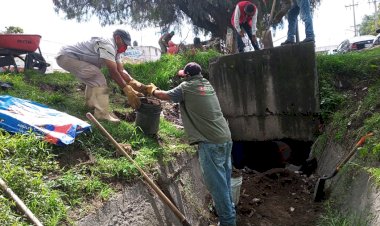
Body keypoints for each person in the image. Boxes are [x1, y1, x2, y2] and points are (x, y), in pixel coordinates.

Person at [146, 62, 236, 226]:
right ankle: (229, 218)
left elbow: (164, 96)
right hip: (225, 138)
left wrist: (151, 90)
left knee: (218, 187)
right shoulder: (207, 84)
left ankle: (228, 222)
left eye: (183, 76)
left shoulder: (186, 87)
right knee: (225, 182)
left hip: (211, 143)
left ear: (187, 76)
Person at [56, 29, 153, 122]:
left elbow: (121, 70)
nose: (125, 48)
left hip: (69, 57)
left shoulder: (116, 51)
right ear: (118, 38)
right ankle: (102, 115)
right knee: (98, 77)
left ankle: (90, 107)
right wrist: (128, 90)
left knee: (93, 77)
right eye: (125, 44)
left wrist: (136, 84)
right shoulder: (108, 45)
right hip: (67, 56)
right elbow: (113, 72)